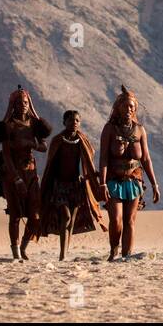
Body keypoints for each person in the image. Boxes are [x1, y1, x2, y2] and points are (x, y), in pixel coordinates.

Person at [98, 86, 160, 261]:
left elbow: (146, 159)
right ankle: (114, 251)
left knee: (130, 221)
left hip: (134, 180)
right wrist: (102, 183)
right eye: (125, 106)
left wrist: (155, 185)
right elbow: (103, 158)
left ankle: (127, 255)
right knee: (116, 219)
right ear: (118, 108)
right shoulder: (109, 129)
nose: (129, 110)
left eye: (132, 107)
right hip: (113, 180)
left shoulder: (140, 130)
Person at [0, 86, 50, 260]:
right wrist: (16, 179)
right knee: (15, 215)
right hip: (12, 174)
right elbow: (7, 156)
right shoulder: (8, 126)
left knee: (35, 216)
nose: (23, 105)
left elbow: (43, 146)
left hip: (31, 173)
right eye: (19, 102)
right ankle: (16, 251)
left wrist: (31, 144)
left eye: (26, 102)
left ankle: (24, 245)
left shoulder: (33, 123)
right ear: (13, 105)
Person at [40, 110, 106, 261]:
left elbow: (88, 160)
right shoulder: (58, 140)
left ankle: (65, 253)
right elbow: (51, 164)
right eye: (70, 120)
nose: (74, 123)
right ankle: (62, 255)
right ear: (64, 122)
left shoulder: (82, 140)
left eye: (77, 120)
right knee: (65, 216)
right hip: (60, 186)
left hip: (76, 186)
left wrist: (94, 174)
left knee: (71, 221)